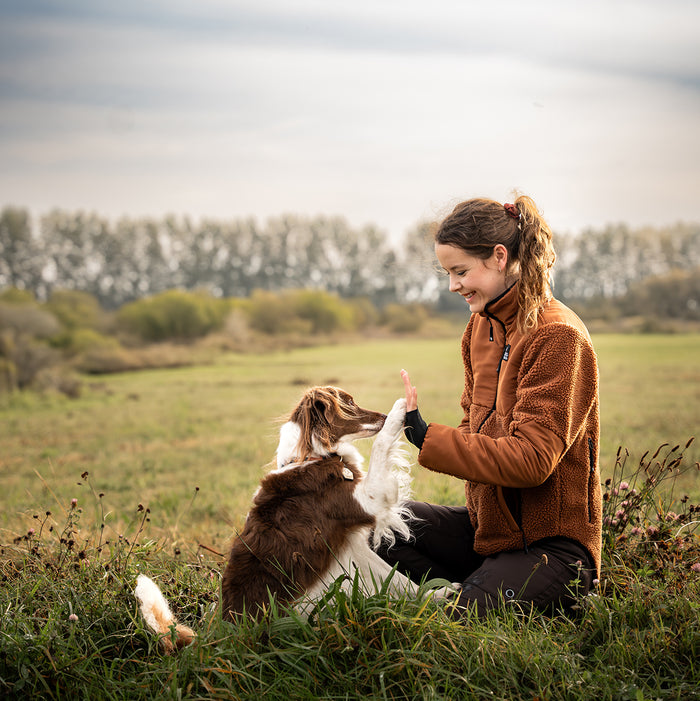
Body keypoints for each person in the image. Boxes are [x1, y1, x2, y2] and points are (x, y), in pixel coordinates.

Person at [379, 195, 602, 619]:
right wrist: (414, 428)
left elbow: (533, 461)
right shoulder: (479, 329)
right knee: (379, 525)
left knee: (453, 623)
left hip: (552, 547)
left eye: (461, 271)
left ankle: (481, 594)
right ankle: (477, 587)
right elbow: (474, 435)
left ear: (500, 257)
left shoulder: (559, 337)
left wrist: (429, 437)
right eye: (448, 273)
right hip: (488, 532)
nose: (453, 285)